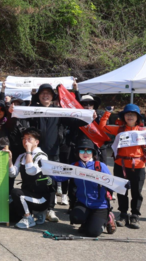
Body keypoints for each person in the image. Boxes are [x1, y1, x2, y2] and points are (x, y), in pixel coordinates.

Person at [21, 83, 86, 222]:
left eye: (48, 93)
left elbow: (75, 121)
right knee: (32, 180)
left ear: (52, 96)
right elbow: (19, 118)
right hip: (35, 153)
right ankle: (32, 209)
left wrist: (88, 116)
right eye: (42, 93)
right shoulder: (32, 110)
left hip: (53, 152)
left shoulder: (58, 110)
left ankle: (50, 210)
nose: (45, 95)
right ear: (38, 96)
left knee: (51, 183)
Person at [51, 137, 115, 237]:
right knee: (75, 218)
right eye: (82, 151)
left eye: (88, 151)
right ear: (78, 153)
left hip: (99, 205)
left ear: (93, 153)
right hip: (83, 203)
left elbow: (112, 183)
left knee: (92, 233)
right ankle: (88, 222)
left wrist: (123, 185)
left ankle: (108, 217)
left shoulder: (100, 166)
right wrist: (45, 169)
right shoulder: (75, 166)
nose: (85, 154)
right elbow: (60, 177)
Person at [98, 104, 146, 229]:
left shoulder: (144, 131)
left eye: (133, 114)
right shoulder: (119, 130)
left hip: (138, 166)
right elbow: (102, 127)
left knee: (137, 192)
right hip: (121, 165)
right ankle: (123, 214)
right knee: (121, 191)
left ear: (137, 117)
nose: (130, 116)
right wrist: (107, 113)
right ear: (123, 117)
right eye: (127, 114)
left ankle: (135, 215)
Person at [9, 127, 52, 228]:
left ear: (36, 142)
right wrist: (9, 160)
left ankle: (29, 218)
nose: (26, 141)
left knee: (16, 192)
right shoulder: (21, 156)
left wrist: (28, 151)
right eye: (24, 138)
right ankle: (32, 213)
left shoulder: (42, 156)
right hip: (27, 195)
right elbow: (12, 174)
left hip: (40, 198)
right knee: (10, 216)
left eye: (29, 138)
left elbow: (31, 171)